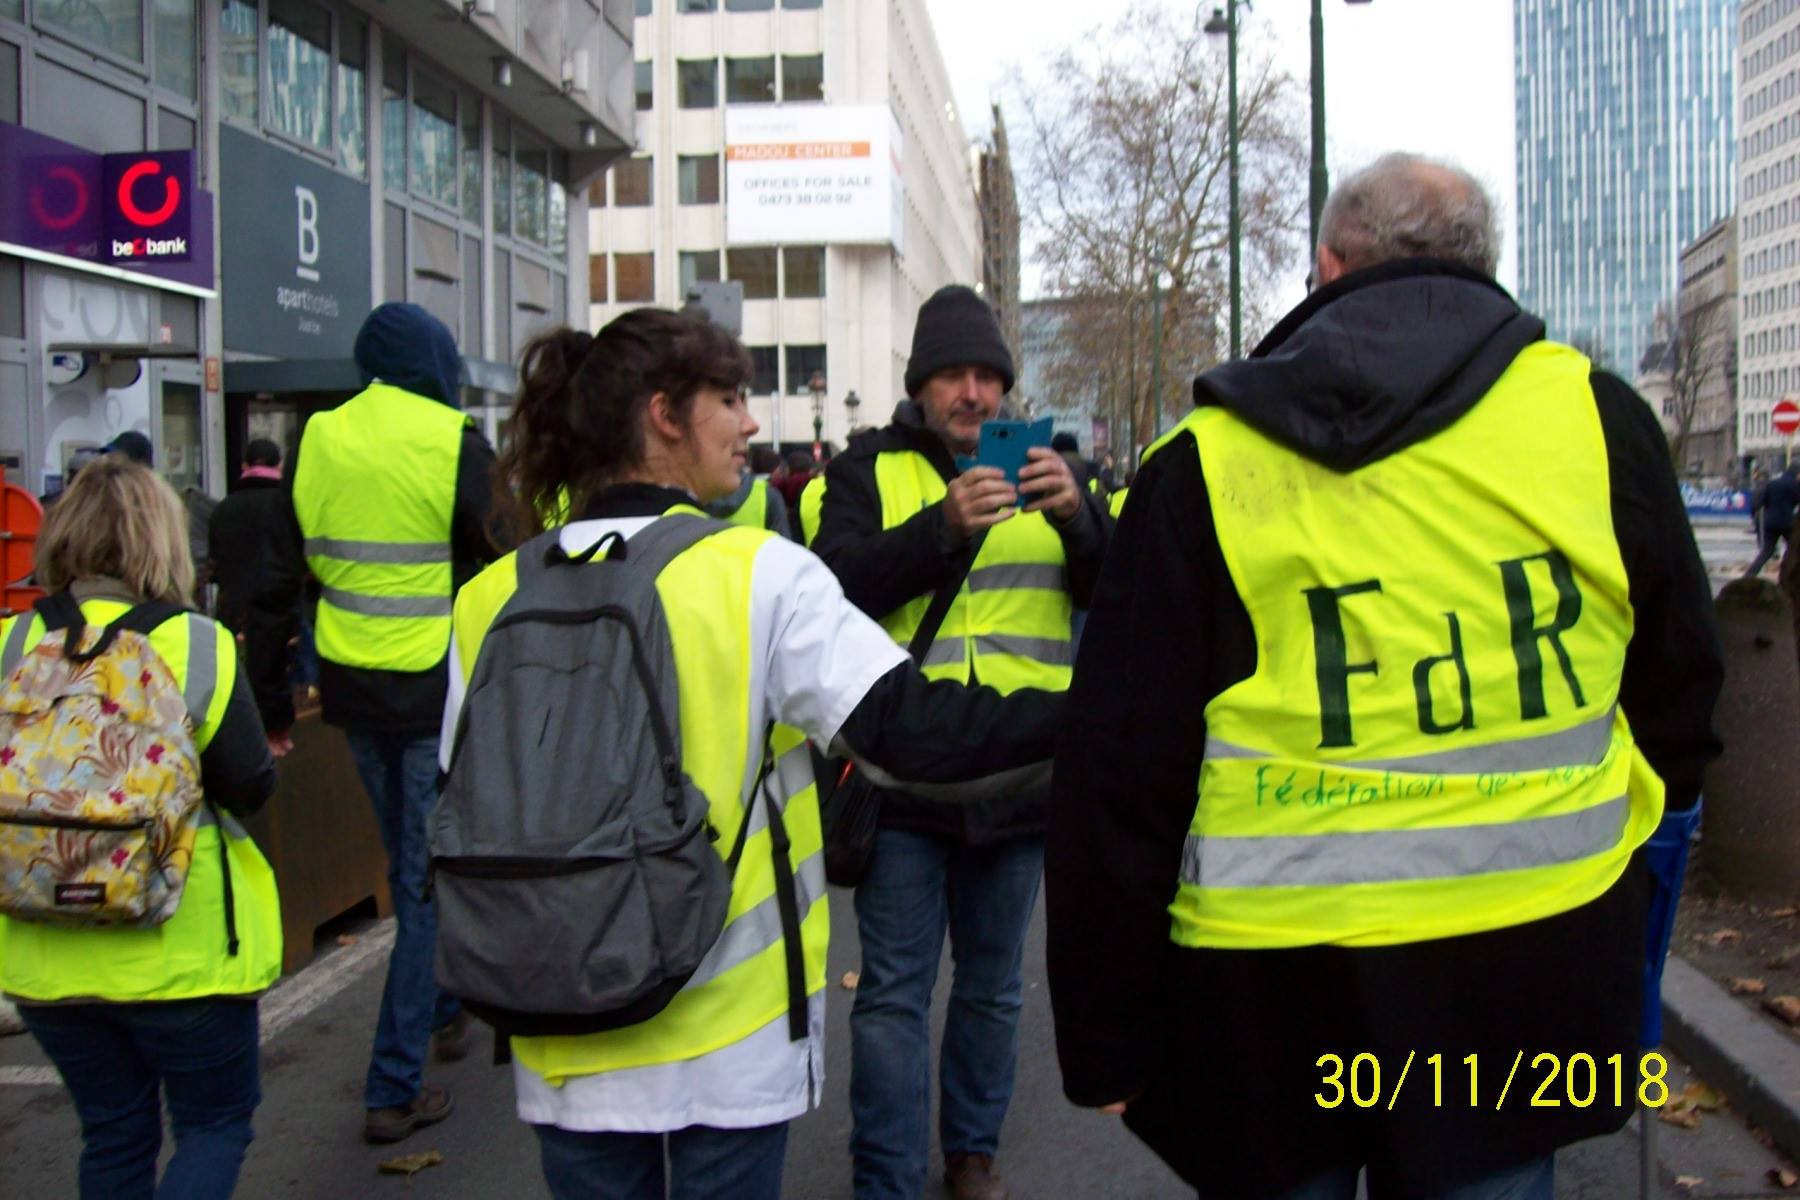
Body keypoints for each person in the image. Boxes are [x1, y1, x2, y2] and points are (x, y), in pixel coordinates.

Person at [1045, 153, 1724, 1200]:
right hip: (1523, 984)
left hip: (1268, 1008)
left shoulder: (1205, 462)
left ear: (1327, 266)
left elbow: (1119, 777)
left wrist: (1108, 1039)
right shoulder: (1598, 421)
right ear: (1483, 267)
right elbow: (1681, 692)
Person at [447, 307, 1061, 1200]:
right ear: (664, 414)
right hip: (727, 1038)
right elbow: (909, 732)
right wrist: (1096, 717)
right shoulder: (757, 573)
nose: (751, 425)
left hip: (559, 1026)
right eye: (729, 399)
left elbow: (463, 800)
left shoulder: (489, 597)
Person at [810, 284, 1110, 1200]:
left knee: (992, 987)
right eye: (953, 376)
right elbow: (830, 589)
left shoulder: (1060, 471)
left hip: (1020, 778)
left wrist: (1079, 518)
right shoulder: (865, 471)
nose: (973, 394)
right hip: (904, 779)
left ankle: (970, 1153)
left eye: (988, 377)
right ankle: (888, 1177)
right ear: (920, 384)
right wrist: (939, 530)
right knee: (895, 994)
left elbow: (1113, 591)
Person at [0, 455, 280, 1198]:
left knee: (114, 1131)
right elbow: (250, 783)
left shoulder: (8, 644)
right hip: (177, 949)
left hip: (43, 953)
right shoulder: (195, 644)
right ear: (161, 539)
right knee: (214, 1124)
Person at [279, 302, 494, 1141]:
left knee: (412, 867)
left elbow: (304, 549)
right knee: (422, 882)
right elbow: (499, 554)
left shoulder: (322, 434)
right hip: (432, 694)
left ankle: (440, 1003)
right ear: (439, 361)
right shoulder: (454, 440)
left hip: (351, 692)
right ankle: (391, 1087)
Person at [208, 438, 301, 754]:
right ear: (278, 467)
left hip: (234, 605)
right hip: (279, 602)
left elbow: (214, 559)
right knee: (274, 669)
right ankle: (278, 735)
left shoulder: (224, 508)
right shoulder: (288, 506)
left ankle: (242, 739)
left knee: (235, 673)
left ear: (246, 467)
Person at [1745, 464, 1799, 577]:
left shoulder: (1772, 483)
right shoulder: (1795, 485)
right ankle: (1788, 574)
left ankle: (1750, 575)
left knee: (1766, 551)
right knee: (1794, 550)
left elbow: (1761, 502)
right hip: (1787, 522)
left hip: (1770, 522)